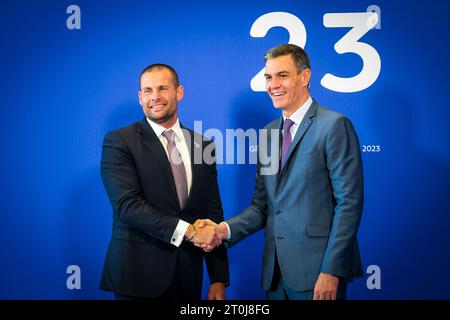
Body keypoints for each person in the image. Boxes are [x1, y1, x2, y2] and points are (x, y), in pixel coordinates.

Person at [198, 44, 364, 300]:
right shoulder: (267, 134)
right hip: (274, 276)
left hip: (318, 276)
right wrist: (222, 230)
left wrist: (331, 270)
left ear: (305, 76)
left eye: (282, 75)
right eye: (268, 77)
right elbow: (261, 206)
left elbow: (349, 204)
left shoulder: (334, 126)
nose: (273, 84)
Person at [99, 63, 229, 300]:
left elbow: (212, 212)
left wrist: (218, 278)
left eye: (162, 89)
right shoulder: (120, 141)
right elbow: (127, 206)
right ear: (140, 98)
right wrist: (189, 231)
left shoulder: (203, 145)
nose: (155, 97)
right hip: (137, 279)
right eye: (147, 91)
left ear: (179, 92)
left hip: (188, 278)